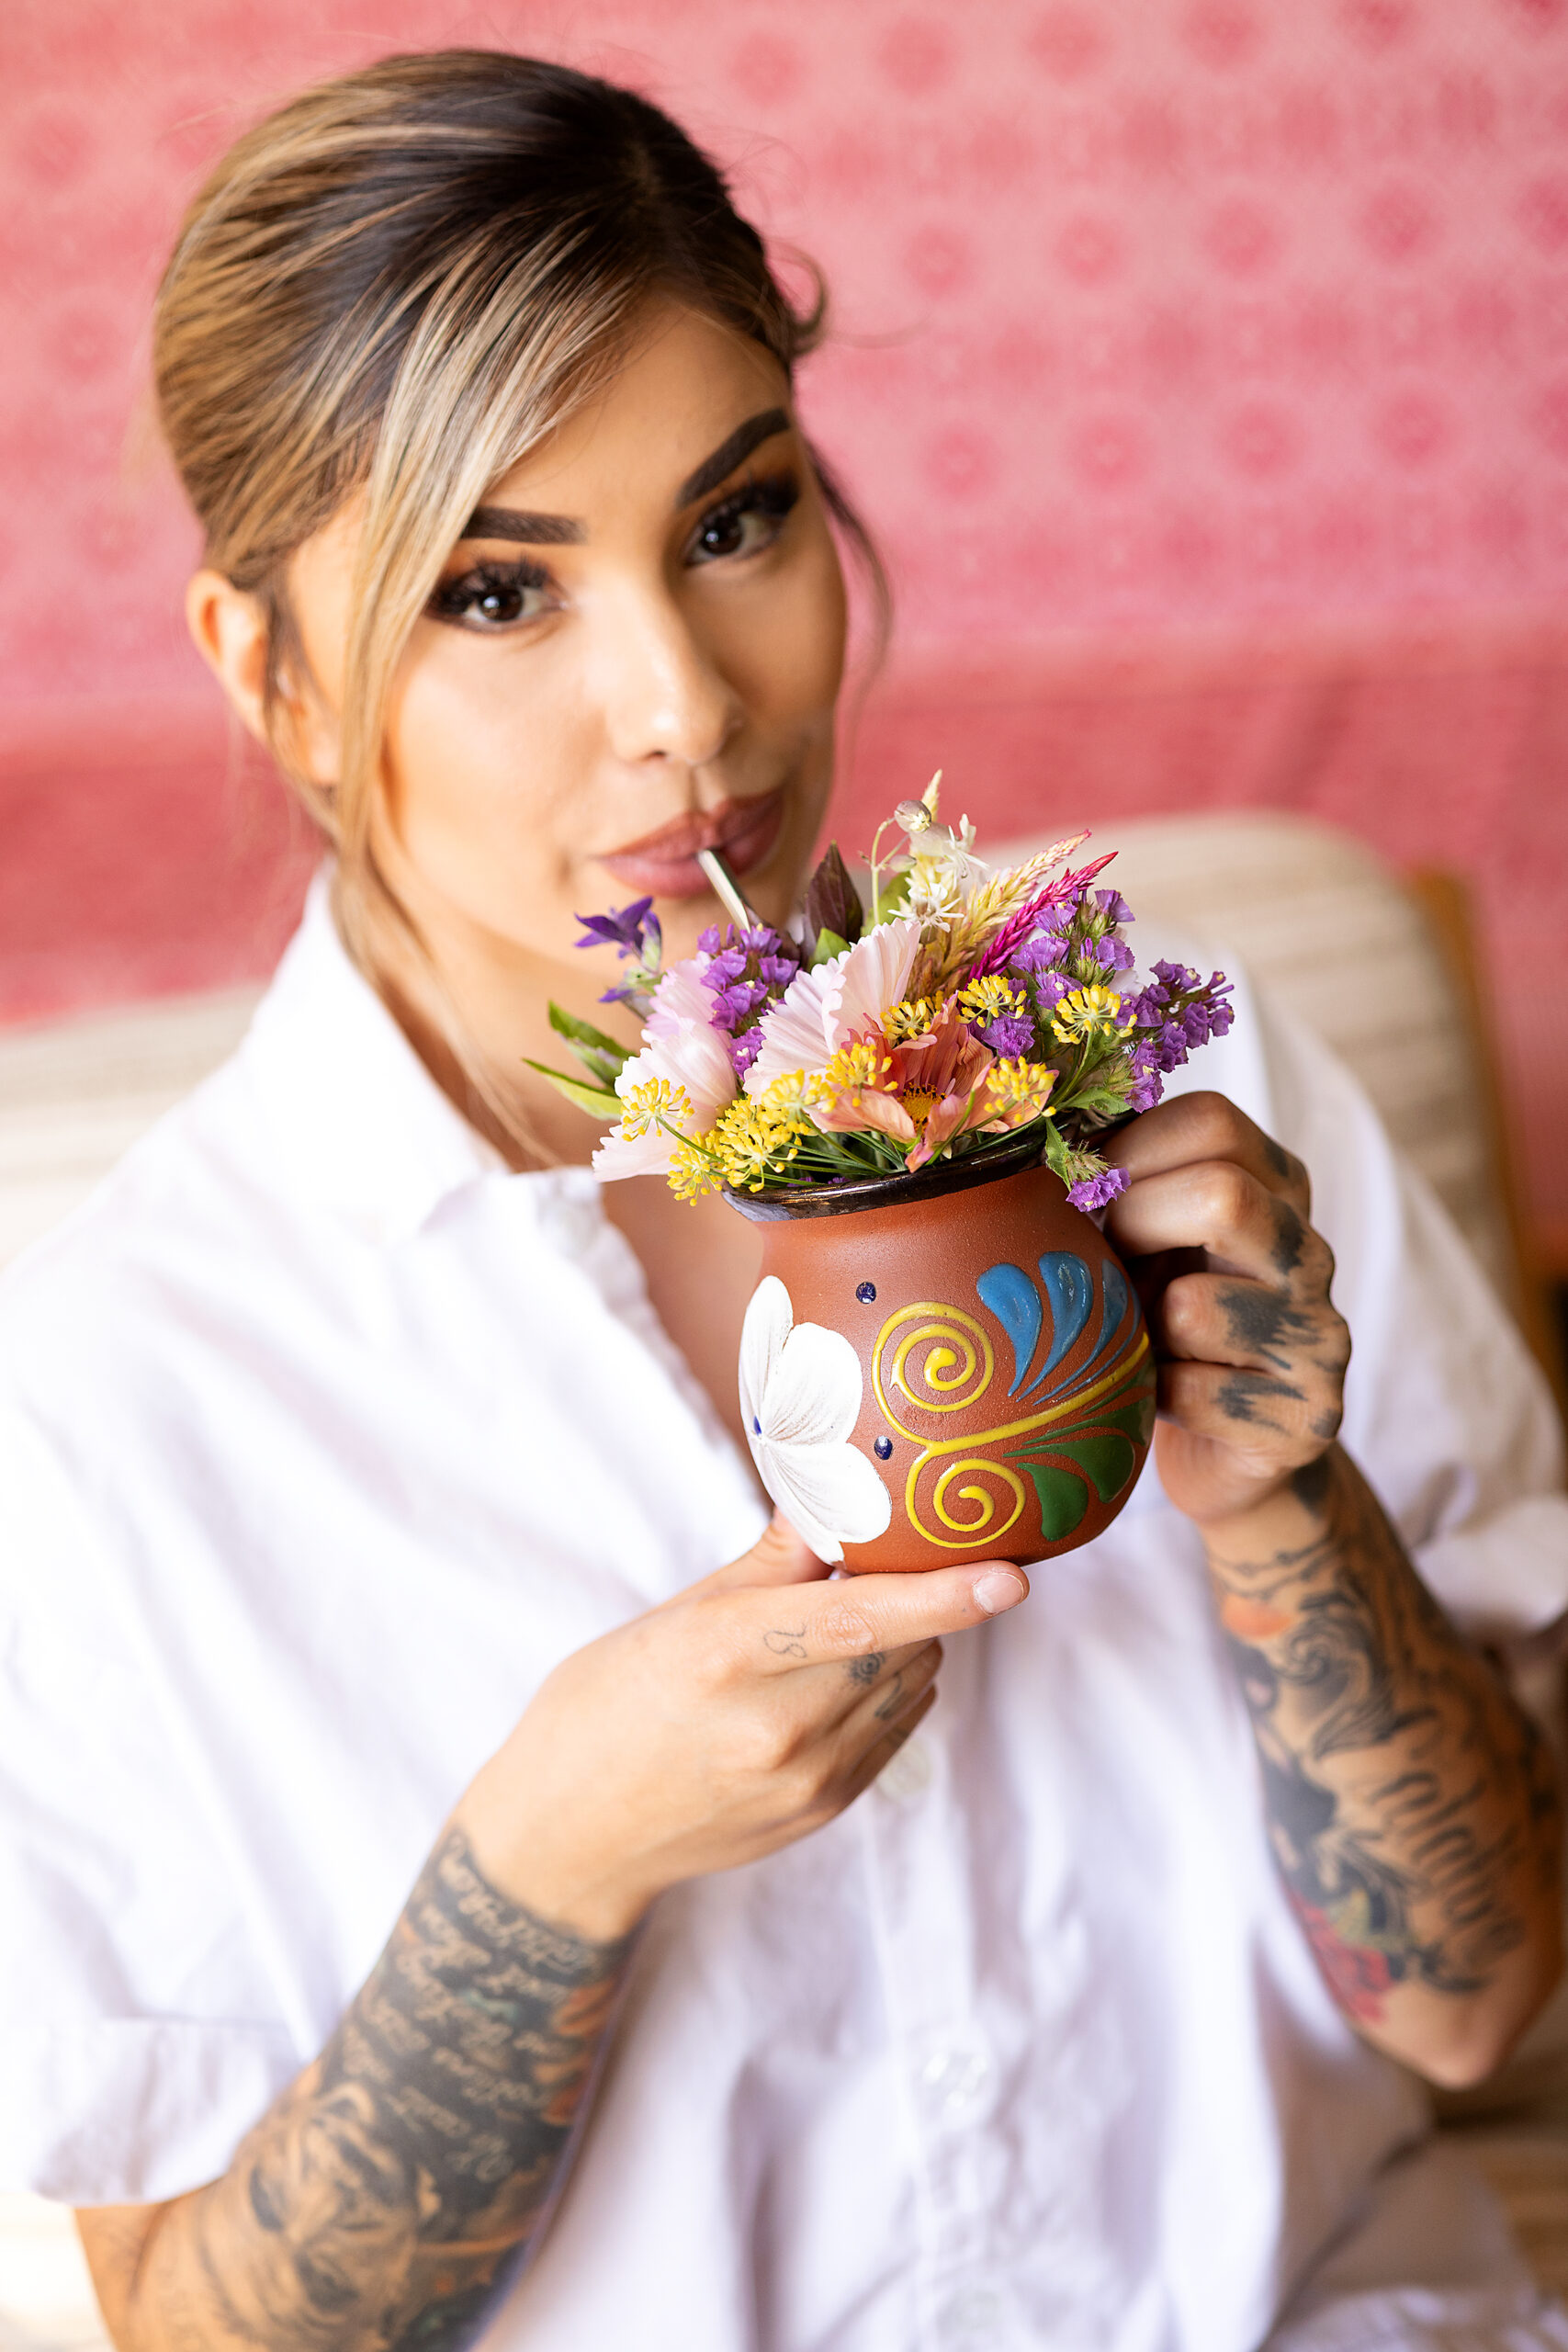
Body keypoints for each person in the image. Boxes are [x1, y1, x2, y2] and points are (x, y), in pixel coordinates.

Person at [2, 48, 1567, 2352]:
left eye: (731, 521)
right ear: (274, 678)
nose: (685, 712)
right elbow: (196, 2315)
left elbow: (1478, 2006)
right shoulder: (107, 1398)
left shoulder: (1195, 1083)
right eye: (493, 594)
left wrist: (1277, 1507)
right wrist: (547, 1854)